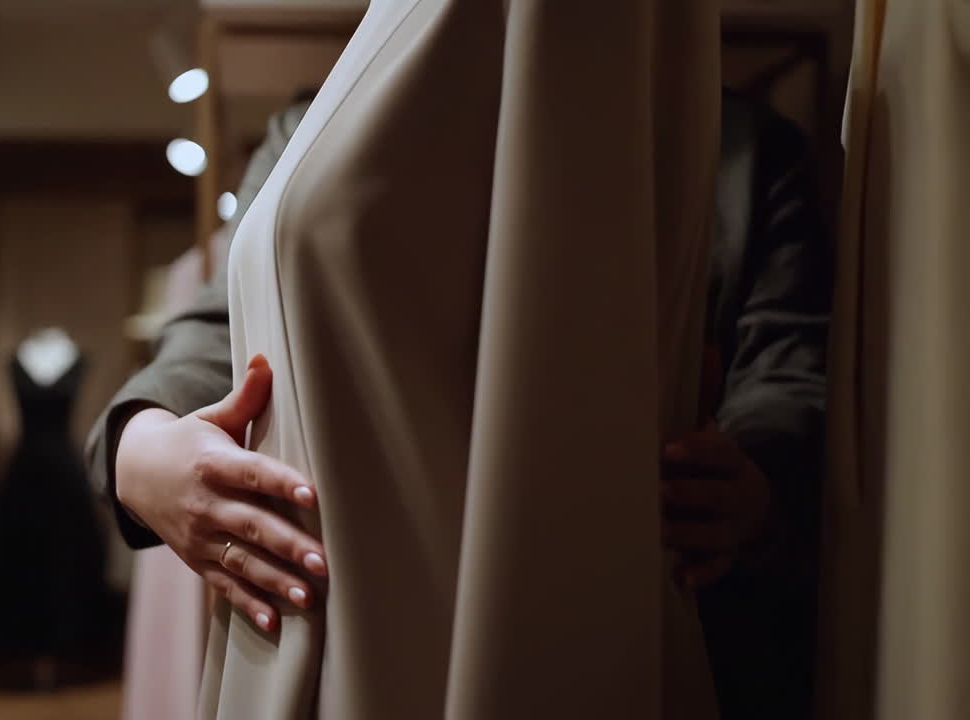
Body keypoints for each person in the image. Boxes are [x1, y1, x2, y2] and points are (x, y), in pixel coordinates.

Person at [91, 81, 829, 718]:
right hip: (356, 606)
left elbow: (790, 370)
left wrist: (756, 480)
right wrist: (141, 446)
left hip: (626, 605)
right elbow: (220, 329)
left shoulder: (742, 150)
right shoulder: (315, 130)